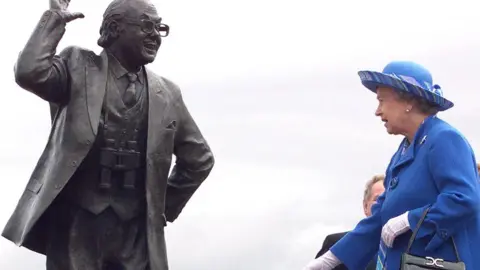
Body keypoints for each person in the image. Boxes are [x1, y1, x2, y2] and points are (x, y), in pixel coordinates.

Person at [2, 0, 214, 269]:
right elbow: (29, 73)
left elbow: (199, 159)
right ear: (114, 29)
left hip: (136, 234)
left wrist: (159, 208)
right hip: (78, 223)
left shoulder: (167, 93)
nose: (154, 35)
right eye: (146, 25)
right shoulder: (78, 65)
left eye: (159, 28)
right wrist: (54, 18)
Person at [303, 61, 480, 270]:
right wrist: (330, 259)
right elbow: (378, 219)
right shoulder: (402, 153)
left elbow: (464, 198)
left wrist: (410, 220)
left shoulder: (444, 138)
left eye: (381, 101)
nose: (377, 111)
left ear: (409, 101)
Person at [314, 174, 385, 270]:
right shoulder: (336, 244)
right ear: (365, 206)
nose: (383, 204)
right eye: (378, 199)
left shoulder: (407, 250)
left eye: (388, 199)